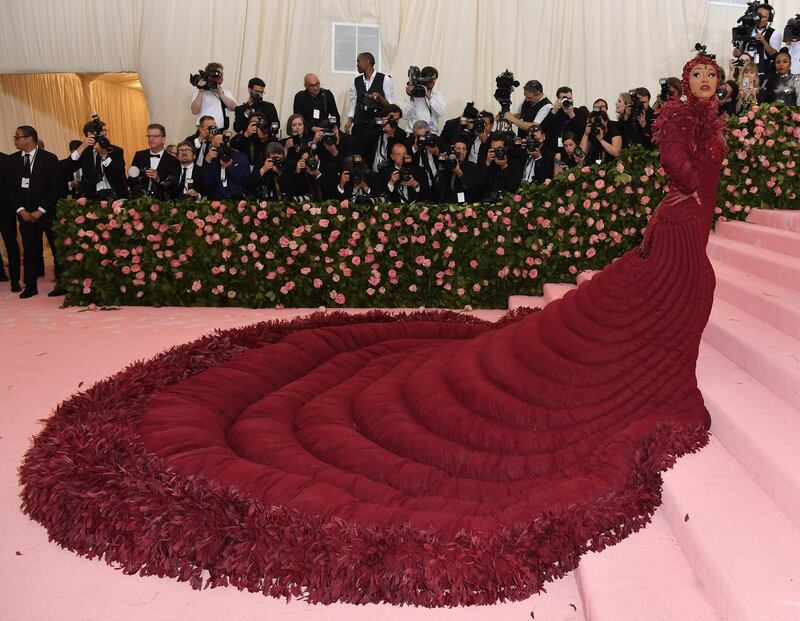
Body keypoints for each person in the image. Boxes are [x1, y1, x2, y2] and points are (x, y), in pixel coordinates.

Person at [8, 126, 62, 298]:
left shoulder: (50, 159)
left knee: (56, 249)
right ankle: (30, 286)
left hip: (47, 212)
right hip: (25, 214)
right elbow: (10, 189)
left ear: (29, 139)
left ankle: (62, 284)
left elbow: (56, 188)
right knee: (30, 251)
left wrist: (41, 210)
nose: (15, 140)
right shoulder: (13, 160)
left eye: (18, 137)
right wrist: (21, 210)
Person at [69, 120, 127, 199]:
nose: (105, 133)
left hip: (114, 195)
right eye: (102, 131)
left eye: (105, 130)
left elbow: (119, 173)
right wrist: (82, 147)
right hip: (92, 197)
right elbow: (69, 165)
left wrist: (104, 155)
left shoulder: (115, 150)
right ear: (90, 134)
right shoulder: (85, 153)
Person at [344, 52, 394, 140]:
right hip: (359, 126)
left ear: (367, 61)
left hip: (376, 127)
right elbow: (353, 103)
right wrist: (349, 121)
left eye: (359, 61)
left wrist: (380, 98)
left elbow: (390, 106)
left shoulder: (385, 79)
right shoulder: (356, 81)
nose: (357, 65)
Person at [129, 124, 181, 199]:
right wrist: (137, 177)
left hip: (162, 203)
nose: (151, 139)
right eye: (149, 136)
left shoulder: (172, 160)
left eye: (155, 136)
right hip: (140, 201)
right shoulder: (139, 155)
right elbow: (130, 181)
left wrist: (158, 179)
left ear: (163, 139)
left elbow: (174, 187)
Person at [732, 3, 782, 80]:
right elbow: (738, 50)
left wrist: (764, 41)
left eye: (764, 17)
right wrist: (736, 52)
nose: (761, 19)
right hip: (745, 70)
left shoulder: (775, 34)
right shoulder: (747, 30)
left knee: (757, 91)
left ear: (769, 18)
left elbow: (775, 55)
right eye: (759, 16)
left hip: (762, 72)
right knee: (744, 90)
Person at [190, 62, 237, 130]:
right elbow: (195, 111)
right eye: (217, 74)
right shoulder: (199, 91)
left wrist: (220, 94)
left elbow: (234, 108)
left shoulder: (225, 92)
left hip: (220, 130)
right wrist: (201, 90)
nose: (220, 76)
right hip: (203, 130)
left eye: (221, 74)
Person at [540, 86, 588, 153]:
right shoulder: (554, 112)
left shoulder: (579, 112)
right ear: (558, 100)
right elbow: (541, 129)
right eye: (564, 99)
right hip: (554, 152)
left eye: (570, 98)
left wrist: (571, 114)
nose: (568, 101)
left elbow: (582, 132)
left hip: (574, 152)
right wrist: (554, 111)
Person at [201, 135, 250, 200]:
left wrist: (229, 167)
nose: (222, 151)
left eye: (224, 147)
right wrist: (207, 162)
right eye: (218, 148)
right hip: (215, 201)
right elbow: (207, 184)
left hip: (236, 199)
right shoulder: (212, 160)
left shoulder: (241, 158)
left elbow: (244, 181)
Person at [431, 137, 478, 204]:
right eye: (458, 149)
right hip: (448, 204)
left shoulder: (472, 167)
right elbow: (437, 187)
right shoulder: (447, 166)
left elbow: (472, 188)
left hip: (466, 205)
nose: (461, 152)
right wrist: (442, 166)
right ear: (453, 151)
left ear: (466, 152)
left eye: (464, 149)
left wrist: (459, 173)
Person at [477, 133, 522, 200]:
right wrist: (487, 163)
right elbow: (480, 183)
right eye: (494, 149)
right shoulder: (487, 160)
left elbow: (513, 187)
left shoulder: (514, 161)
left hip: (507, 201)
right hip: (488, 201)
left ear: (506, 148)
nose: (498, 152)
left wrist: (504, 167)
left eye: (500, 149)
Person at [0, 150, 22, 292]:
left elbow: (12, 186)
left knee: (11, 243)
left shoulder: (6, 160)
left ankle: (15, 280)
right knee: (11, 243)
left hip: (5, 209)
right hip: (6, 208)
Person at [402, 66, 445, 135]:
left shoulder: (438, 95)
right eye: (430, 79)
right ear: (423, 78)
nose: (432, 81)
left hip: (431, 133)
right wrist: (412, 97)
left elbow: (441, 112)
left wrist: (428, 96)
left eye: (434, 79)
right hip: (414, 134)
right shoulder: (413, 93)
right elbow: (405, 116)